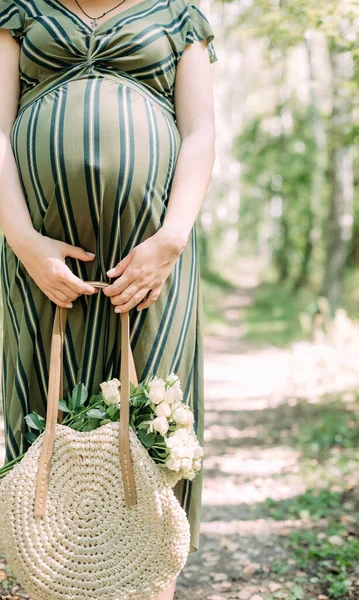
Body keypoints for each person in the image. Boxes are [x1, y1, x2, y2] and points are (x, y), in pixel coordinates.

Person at [0, 0, 217, 596]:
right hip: (38, 252)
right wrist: (23, 242)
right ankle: (50, 574)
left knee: (154, 415)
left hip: (152, 253)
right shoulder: (20, 11)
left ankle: (146, 578)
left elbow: (199, 132)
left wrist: (170, 241)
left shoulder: (178, 15)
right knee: (40, 411)